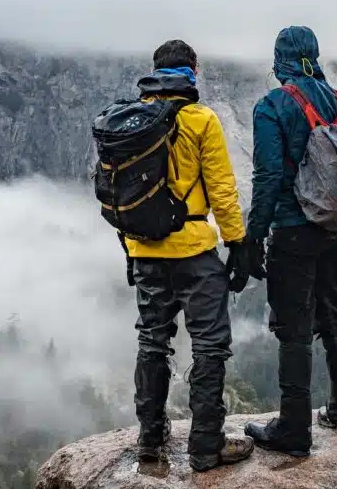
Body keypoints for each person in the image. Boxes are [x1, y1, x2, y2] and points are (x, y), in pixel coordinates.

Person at [123, 39, 256, 472]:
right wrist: (237, 244)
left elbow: (118, 196)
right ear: (192, 72)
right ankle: (205, 447)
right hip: (195, 252)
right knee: (210, 347)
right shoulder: (201, 120)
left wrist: (130, 248)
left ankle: (150, 444)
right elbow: (221, 190)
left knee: (152, 343)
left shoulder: (130, 122)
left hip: (144, 250)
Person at [243, 26, 337, 457]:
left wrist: (253, 237)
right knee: (332, 314)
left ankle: (294, 430)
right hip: (335, 228)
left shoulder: (272, 107)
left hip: (293, 231)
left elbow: (269, 177)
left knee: (293, 328)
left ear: (281, 61)